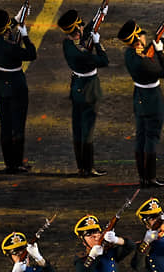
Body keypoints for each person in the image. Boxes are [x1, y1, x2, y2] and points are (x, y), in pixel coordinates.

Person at [117, 19, 164, 187]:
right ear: (138, 39)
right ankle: (151, 178)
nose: (144, 37)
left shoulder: (130, 54)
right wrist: (161, 51)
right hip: (152, 100)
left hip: (139, 98)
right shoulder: (142, 61)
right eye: (142, 35)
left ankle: (143, 177)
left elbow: (146, 52)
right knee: (152, 139)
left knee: (141, 137)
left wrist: (161, 38)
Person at [57, 9, 109, 177]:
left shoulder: (68, 44)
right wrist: (98, 43)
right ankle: (89, 168)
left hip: (77, 87)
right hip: (89, 89)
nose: (82, 27)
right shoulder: (82, 54)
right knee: (87, 131)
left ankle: (81, 166)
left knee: (78, 128)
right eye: (79, 26)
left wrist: (99, 16)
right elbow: (103, 61)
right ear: (76, 30)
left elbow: (84, 33)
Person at [0, 8, 36, 174]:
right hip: (16, 85)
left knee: (5, 125)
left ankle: (10, 163)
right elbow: (31, 54)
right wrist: (26, 35)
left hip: (1, 84)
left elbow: (3, 30)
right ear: (6, 29)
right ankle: (18, 163)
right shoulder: (11, 48)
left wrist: (16, 18)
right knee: (18, 125)